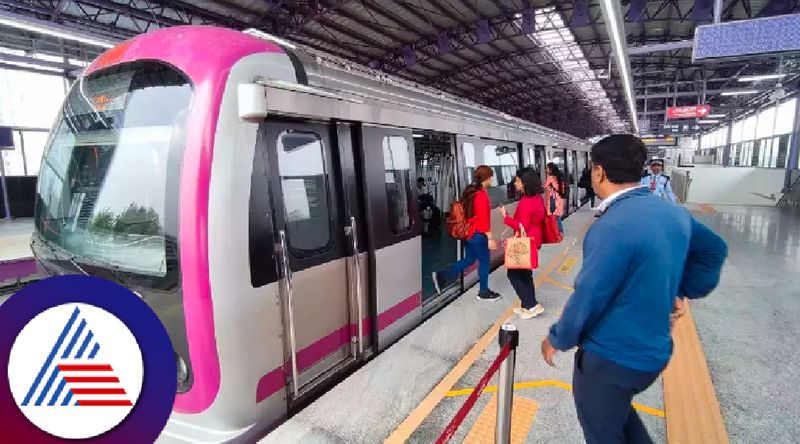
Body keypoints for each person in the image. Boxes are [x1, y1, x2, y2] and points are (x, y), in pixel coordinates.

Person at [540, 134, 728, 444]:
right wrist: (681, 290)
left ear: (599, 172)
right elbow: (714, 250)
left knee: (603, 433)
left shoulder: (611, 226)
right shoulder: (673, 212)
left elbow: (589, 295)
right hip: (653, 354)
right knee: (620, 422)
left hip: (610, 359)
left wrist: (557, 338)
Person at [433, 165, 501, 301]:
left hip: (468, 233)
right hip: (477, 235)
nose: (492, 179)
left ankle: (442, 276)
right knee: (484, 262)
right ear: (486, 179)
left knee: (469, 259)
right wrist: (490, 238)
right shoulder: (481, 195)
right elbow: (483, 221)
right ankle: (484, 292)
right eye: (491, 177)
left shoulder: (470, 191)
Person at [499, 167, 546, 319]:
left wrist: (505, 217)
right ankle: (527, 305)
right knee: (526, 274)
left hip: (526, 241)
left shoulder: (527, 202)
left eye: (518, 180)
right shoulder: (537, 197)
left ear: (525, 183)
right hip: (533, 239)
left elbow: (521, 226)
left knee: (513, 274)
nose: (515, 183)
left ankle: (532, 305)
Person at [545, 163, 566, 233]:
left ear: (551, 169)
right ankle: (560, 231)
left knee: (554, 216)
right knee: (557, 216)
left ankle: (559, 231)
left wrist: (550, 187)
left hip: (553, 199)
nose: (546, 170)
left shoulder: (550, 178)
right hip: (559, 198)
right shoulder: (560, 177)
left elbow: (545, 186)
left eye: (547, 168)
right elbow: (562, 188)